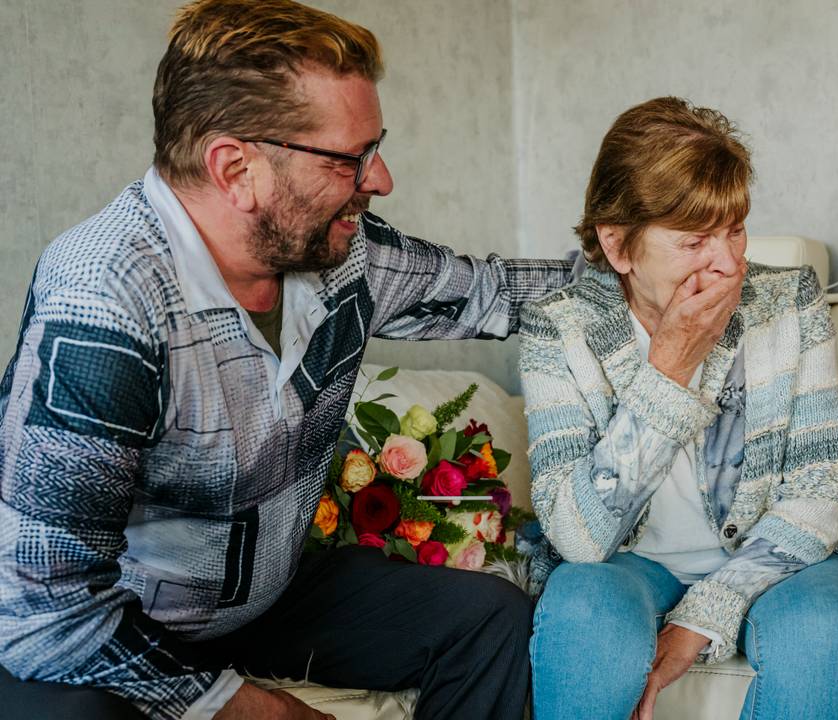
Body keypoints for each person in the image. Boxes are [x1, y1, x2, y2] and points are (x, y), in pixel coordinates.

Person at [0, 1, 571, 719]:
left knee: (489, 619)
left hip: (264, 600)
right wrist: (246, 705)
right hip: (126, 621)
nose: (381, 179)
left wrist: (653, 269)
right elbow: (45, 608)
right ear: (236, 169)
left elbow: (494, 292)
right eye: (349, 158)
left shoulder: (345, 259)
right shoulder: (104, 298)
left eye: (375, 148)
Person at [519, 97, 838, 720]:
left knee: (821, 628)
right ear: (617, 244)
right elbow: (578, 537)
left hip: (778, 557)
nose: (728, 262)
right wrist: (668, 370)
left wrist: (702, 616)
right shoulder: (559, 328)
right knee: (582, 607)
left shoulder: (788, 301)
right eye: (694, 240)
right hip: (627, 565)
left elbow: (818, 493)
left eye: (735, 229)